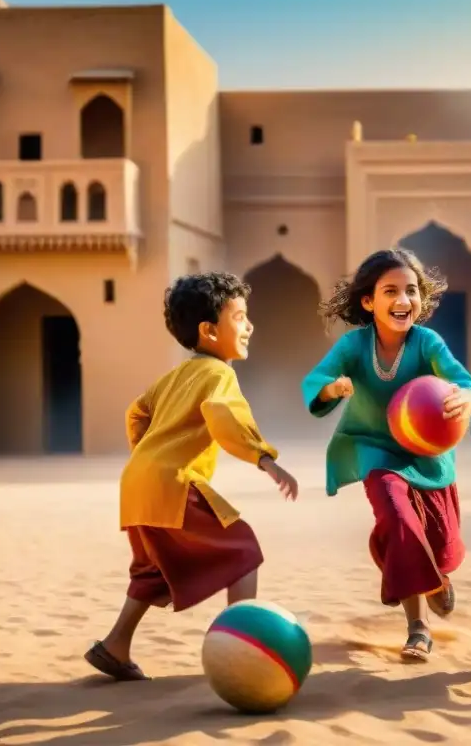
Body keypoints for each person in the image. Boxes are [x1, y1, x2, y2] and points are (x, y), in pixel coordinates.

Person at [85, 271, 298, 682]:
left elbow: (137, 412)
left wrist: (148, 457)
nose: (249, 325)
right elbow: (224, 417)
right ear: (209, 330)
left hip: (136, 485)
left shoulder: (174, 376)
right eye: (239, 317)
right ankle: (239, 649)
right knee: (243, 552)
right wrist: (265, 459)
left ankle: (114, 646)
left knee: (152, 572)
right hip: (173, 482)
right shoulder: (219, 374)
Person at [301, 248, 471, 663]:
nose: (404, 301)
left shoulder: (427, 342)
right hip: (373, 449)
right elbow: (318, 379)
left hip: (427, 453)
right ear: (369, 301)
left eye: (411, 291)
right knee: (398, 519)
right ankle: (418, 628)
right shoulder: (353, 345)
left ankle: (436, 578)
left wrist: (468, 398)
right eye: (391, 291)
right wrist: (332, 389)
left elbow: (463, 380)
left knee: (437, 539)